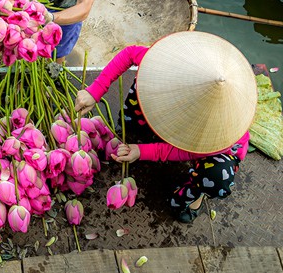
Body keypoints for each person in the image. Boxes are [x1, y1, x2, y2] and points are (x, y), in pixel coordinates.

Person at [74, 31, 258, 223]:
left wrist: (142, 152)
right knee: (143, 87)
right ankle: (145, 126)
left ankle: (193, 196)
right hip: (158, 114)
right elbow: (129, 54)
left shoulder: (223, 131)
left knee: (216, 178)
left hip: (208, 152)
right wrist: (95, 91)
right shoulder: (169, 66)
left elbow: (186, 152)